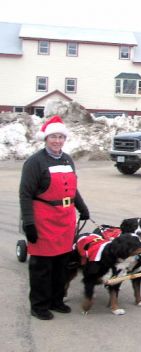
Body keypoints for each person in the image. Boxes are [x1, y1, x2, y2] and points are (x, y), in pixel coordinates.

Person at [19, 115, 90, 320]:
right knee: (42, 266)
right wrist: (29, 223)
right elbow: (25, 194)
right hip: (43, 219)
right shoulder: (35, 162)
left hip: (65, 219)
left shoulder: (67, 159)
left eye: (61, 137)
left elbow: (73, 189)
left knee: (61, 264)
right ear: (46, 139)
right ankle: (39, 305)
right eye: (53, 137)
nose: (57, 141)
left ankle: (56, 300)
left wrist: (82, 208)